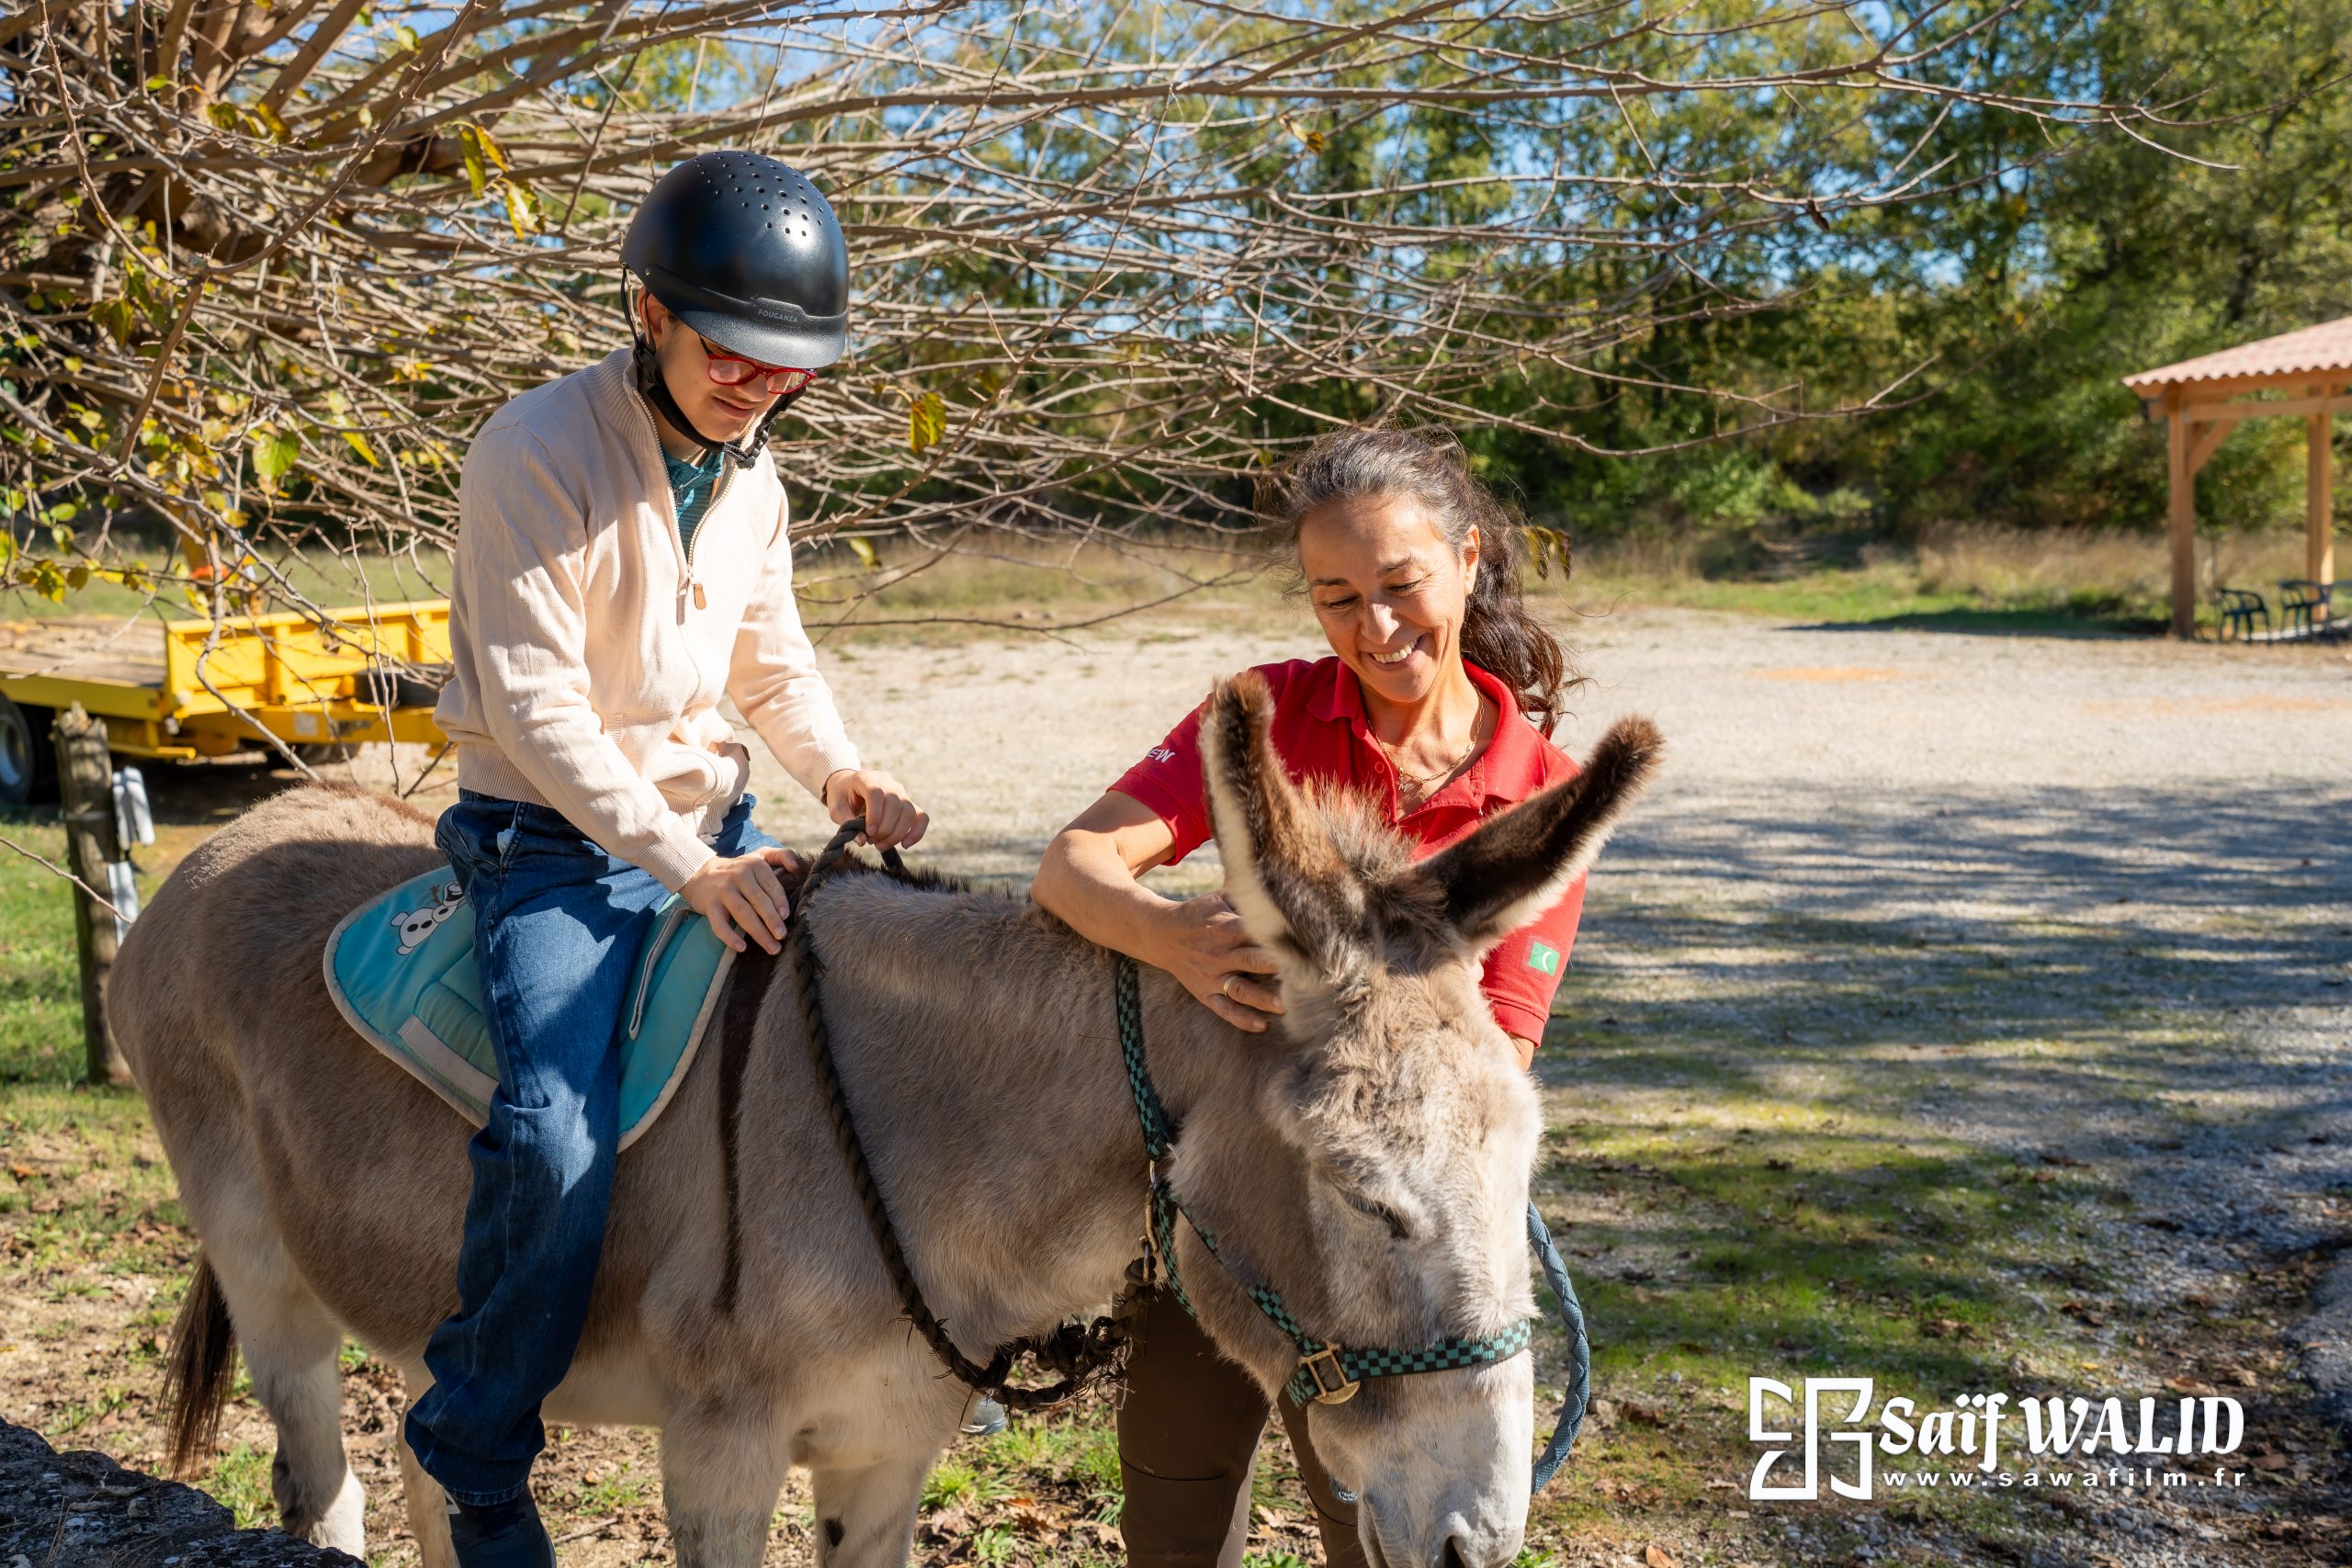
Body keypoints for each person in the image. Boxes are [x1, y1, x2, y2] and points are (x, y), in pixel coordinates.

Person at [411, 151, 932, 1568]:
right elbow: (537, 706)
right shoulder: (533, 448)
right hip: (556, 845)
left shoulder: (752, 478)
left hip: (713, 827)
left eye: (791, 367)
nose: (760, 383)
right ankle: (473, 1441)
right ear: (646, 311)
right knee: (558, 1133)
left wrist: (841, 771)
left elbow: (773, 662)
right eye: (734, 351)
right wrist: (685, 862)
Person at [1030, 425, 1589, 1568]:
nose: (1372, 629)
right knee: (1176, 1513)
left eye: (1399, 586)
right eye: (1334, 597)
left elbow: (1503, 1054)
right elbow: (1069, 866)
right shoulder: (1271, 712)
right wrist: (1171, 937)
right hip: (1228, 1204)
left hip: (1382, 1248)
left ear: (1469, 559)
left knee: (1379, 1536)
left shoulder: (1538, 792)